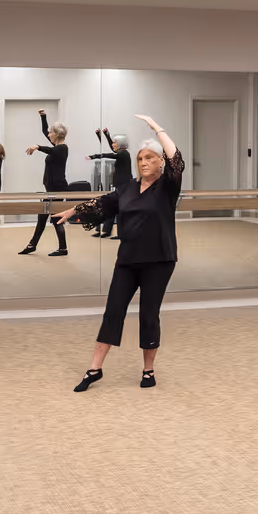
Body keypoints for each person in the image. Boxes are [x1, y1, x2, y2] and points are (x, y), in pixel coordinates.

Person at [54, 115, 183, 391]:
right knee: (113, 311)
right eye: (140, 159)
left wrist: (157, 128)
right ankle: (94, 368)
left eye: (150, 158)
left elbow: (176, 159)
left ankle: (148, 370)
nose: (145, 163)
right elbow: (102, 203)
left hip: (159, 260)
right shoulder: (127, 189)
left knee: (149, 313)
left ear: (160, 162)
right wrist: (72, 210)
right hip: (128, 259)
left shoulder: (168, 187)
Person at [21, 111, 82, 256]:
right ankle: (35, 245)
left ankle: (58, 248)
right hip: (51, 189)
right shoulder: (56, 147)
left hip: (57, 189)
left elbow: (49, 149)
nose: (48, 135)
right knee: (45, 217)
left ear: (57, 134)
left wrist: (37, 146)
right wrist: (43, 117)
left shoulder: (62, 148)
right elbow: (44, 131)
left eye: (50, 133)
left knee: (53, 218)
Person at [88, 129, 132, 238]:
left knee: (117, 209)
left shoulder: (124, 154)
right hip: (120, 186)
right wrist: (106, 135)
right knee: (112, 207)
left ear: (121, 144)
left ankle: (116, 232)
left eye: (116, 142)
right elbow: (112, 147)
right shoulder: (122, 153)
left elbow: (109, 154)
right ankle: (106, 231)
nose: (113, 145)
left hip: (124, 186)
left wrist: (94, 156)